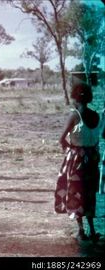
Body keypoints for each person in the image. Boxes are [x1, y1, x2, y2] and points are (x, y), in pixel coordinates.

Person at [54, 83, 101, 243]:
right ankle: (92, 230)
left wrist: (72, 150)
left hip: (77, 160)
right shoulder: (97, 115)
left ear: (74, 98)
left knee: (76, 193)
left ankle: (81, 231)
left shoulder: (74, 115)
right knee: (89, 193)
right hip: (93, 159)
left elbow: (61, 139)